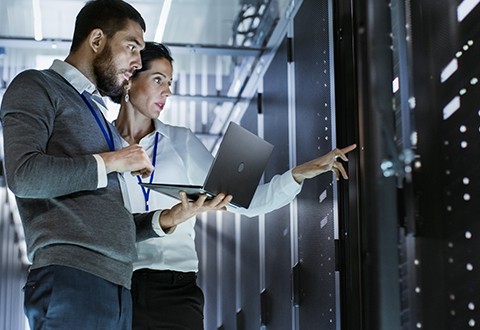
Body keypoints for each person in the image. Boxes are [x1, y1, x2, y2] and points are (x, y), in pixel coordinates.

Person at [0, 2, 230, 330]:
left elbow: (110, 221)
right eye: (131, 46)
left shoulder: (100, 121)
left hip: (118, 288)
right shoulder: (37, 86)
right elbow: (24, 175)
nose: (136, 61)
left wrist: (169, 219)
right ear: (97, 41)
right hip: (71, 278)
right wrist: (114, 160)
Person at [113, 42, 357, 329]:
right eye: (158, 80)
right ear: (129, 79)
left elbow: (246, 203)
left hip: (175, 291)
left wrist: (298, 174)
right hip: (115, 286)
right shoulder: (101, 145)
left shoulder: (182, 142)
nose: (168, 91)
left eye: (170, 82)